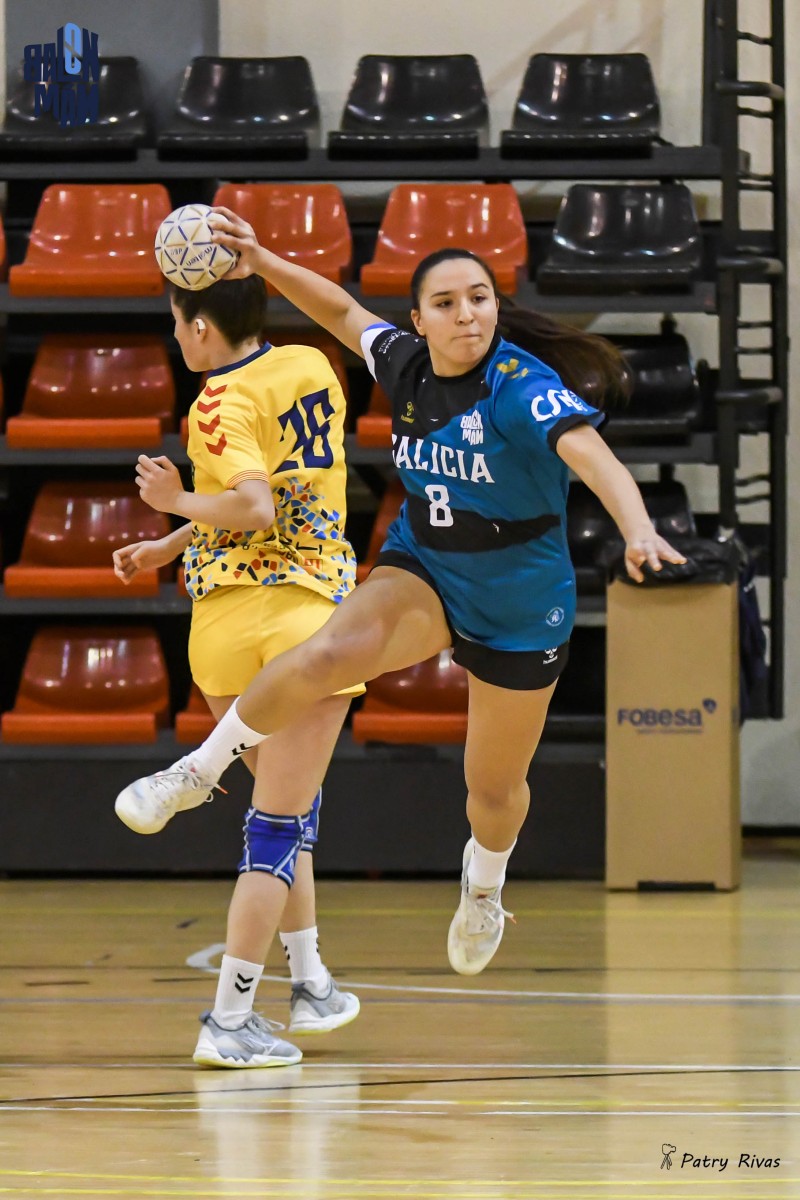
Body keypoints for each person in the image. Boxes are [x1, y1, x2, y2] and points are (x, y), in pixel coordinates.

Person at [116, 207, 686, 978]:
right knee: (328, 652)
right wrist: (265, 259)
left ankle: (483, 888)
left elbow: (595, 458)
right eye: (446, 303)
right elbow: (340, 310)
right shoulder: (407, 364)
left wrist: (638, 529)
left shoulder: (521, 387)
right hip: (427, 566)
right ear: (419, 321)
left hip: (517, 597)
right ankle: (197, 772)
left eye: (479, 297)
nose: (467, 314)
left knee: (492, 792)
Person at [114, 272, 361, 1068]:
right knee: (280, 823)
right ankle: (229, 1019)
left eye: (176, 320)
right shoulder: (314, 366)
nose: (175, 334)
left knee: (286, 809)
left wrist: (173, 509)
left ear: (198, 327)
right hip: (300, 619)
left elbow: (246, 507)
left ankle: (311, 982)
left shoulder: (215, 403)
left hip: (224, 628)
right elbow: (269, 503)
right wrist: (178, 522)